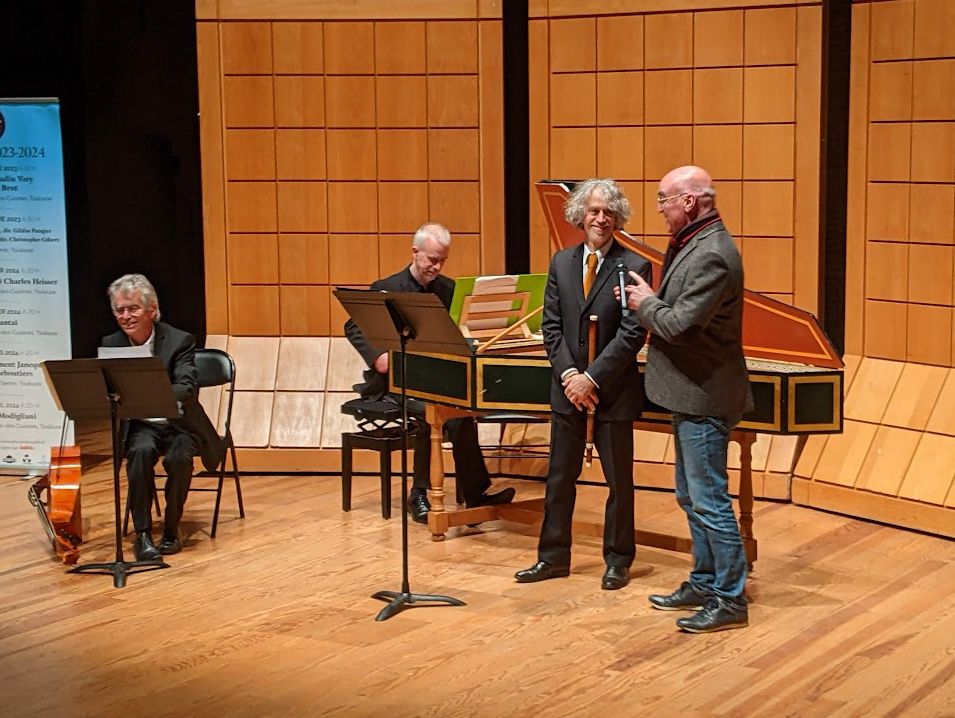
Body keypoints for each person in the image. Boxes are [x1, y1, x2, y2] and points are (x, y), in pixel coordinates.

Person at [619, 165, 753, 632]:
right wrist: (656, 301)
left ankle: (731, 599)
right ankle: (704, 579)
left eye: (663, 200)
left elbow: (677, 325)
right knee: (690, 495)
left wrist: (645, 303)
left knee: (710, 499)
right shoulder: (696, 242)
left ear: (689, 201)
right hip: (691, 392)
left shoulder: (713, 254)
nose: (659, 209)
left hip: (705, 394)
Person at [514, 178, 651, 590]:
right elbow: (551, 328)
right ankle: (552, 558)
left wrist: (592, 377)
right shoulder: (561, 263)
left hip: (613, 392)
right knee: (559, 479)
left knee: (619, 483)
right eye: (594, 211)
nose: (601, 218)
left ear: (618, 219)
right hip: (568, 392)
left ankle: (618, 560)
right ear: (581, 215)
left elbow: (632, 333)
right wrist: (572, 377)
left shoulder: (634, 266)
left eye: (609, 212)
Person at [344, 222, 515, 523]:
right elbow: (353, 325)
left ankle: (475, 495)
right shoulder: (388, 287)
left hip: (435, 380)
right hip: (395, 383)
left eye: (442, 260)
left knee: (460, 414)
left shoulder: (448, 290)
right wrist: (378, 357)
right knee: (430, 414)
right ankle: (419, 495)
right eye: (432, 259)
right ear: (415, 252)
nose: (436, 266)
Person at [102, 274, 223, 561]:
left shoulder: (179, 340)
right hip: (141, 425)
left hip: (178, 423)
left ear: (152, 310)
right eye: (120, 310)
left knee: (180, 457)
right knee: (140, 452)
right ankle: (142, 535)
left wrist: (151, 394)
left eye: (133, 308)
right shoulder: (112, 343)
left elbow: (186, 386)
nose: (126, 316)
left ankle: (172, 527)